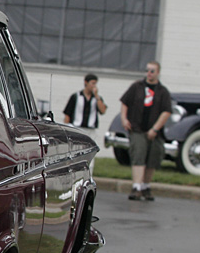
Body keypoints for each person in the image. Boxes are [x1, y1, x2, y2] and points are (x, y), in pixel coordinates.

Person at [120, 61, 172, 201]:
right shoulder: (136, 87)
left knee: (152, 159)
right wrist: (124, 119)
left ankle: (145, 186)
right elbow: (125, 102)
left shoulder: (163, 91)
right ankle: (136, 186)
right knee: (139, 154)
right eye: (147, 70)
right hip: (137, 129)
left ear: (158, 73)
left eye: (152, 71)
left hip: (155, 132)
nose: (149, 73)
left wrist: (155, 128)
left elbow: (166, 111)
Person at [64, 73, 108, 172]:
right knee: (75, 154)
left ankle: (89, 175)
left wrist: (97, 96)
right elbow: (67, 115)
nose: (94, 86)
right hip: (77, 128)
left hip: (91, 130)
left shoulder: (96, 99)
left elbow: (103, 110)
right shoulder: (76, 96)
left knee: (90, 153)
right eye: (92, 83)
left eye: (95, 84)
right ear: (86, 83)